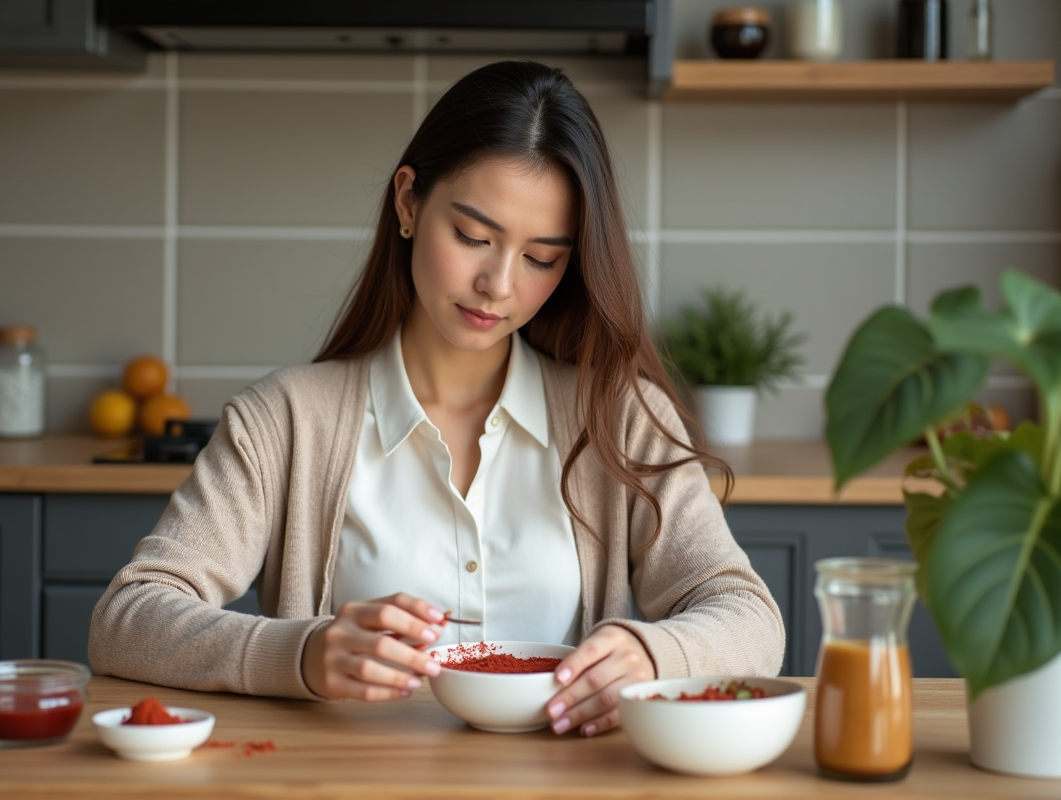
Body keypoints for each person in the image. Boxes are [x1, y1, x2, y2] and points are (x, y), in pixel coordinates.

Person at [89, 60, 784, 738]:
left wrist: (655, 654)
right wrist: (300, 653)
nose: (498, 284)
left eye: (542, 258)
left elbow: (750, 617)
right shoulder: (285, 420)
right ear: (408, 203)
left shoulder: (622, 417)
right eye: (474, 237)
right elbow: (128, 619)